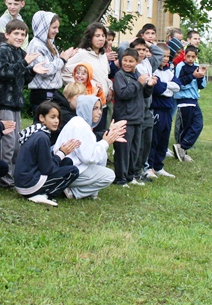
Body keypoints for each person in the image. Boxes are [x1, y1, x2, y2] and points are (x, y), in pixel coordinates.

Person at [0, 19, 48, 188]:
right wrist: (25, 63)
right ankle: (3, 179)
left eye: (22, 34)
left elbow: (22, 78)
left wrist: (32, 70)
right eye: (16, 33)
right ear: (7, 34)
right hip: (3, 102)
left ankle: (13, 177)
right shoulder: (3, 49)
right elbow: (2, 72)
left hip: (16, 103)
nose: (19, 37)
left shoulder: (20, 52)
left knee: (16, 144)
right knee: (7, 143)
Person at [53, 96, 125, 200]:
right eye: (95, 108)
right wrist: (106, 142)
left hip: (68, 167)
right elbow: (89, 157)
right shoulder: (81, 126)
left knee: (103, 155)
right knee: (109, 175)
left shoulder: (78, 122)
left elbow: (88, 149)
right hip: (69, 171)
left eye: (100, 108)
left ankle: (91, 193)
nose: (99, 112)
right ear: (86, 108)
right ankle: (74, 192)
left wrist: (107, 136)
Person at [15, 102, 80, 206]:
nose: (56, 121)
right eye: (52, 117)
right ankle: (45, 195)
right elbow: (47, 169)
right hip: (29, 184)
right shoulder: (42, 137)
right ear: (42, 117)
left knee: (67, 161)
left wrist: (60, 153)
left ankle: (43, 192)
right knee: (73, 171)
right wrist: (62, 152)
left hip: (23, 182)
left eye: (58, 117)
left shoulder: (36, 132)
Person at [112, 48, 155, 187]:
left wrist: (149, 86)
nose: (127, 64)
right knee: (123, 150)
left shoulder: (138, 75)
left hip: (138, 117)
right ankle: (121, 178)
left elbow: (145, 95)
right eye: (125, 60)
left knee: (135, 150)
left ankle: (131, 176)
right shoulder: (120, 75)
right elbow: (123, 93)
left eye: (131, 61)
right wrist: (139, 83)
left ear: (137, 62)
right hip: (125, 117)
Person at [63, 22, 112, 134]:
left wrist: (109, 87)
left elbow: (104, 75)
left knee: (100, 134)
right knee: (88, 135)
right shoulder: (82, 53)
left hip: (102, 103)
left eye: (103, 36)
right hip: (88, 104)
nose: (101, 39)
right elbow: (65, 72)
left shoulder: (103, 55)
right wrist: (80, 87)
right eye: (97, 36)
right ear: (90, 37)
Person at [27, 11, 77, 120]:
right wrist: (62, 59)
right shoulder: (36, 45)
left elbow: (56, 67)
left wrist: (68, 58)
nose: (57, 31)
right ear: (44, 27)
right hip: (42, 94)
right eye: (54, 27)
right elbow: (46, 70)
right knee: (44, 125)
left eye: (57, 27)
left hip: (52, 92)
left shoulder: (49, 43)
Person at [148, 43, 180, 177]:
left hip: (168, 109)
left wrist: (165, 86)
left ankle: (159, 166)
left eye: (168, 56)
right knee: (154, 138)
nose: (166, 59)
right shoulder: (153, 71)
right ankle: (149, 167)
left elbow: (178, 86)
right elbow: (158, 89)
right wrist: (168, 88)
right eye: (163, 56)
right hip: (157, 109)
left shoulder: (169, 71)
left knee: (164, 138)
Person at [173, 46, 207, 162]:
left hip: (194, 100)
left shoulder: (197, 67)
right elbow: (178, 83)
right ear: (184, 56)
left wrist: (201, 77)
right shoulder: (180, 67)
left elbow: (201, 85)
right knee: (185, 127)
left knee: (198, 124)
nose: (190, 59)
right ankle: (182, 151)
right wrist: (192, 76)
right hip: (184, 101)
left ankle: (182, 146)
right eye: (188, 56)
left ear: (196, 57)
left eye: (193, 57)